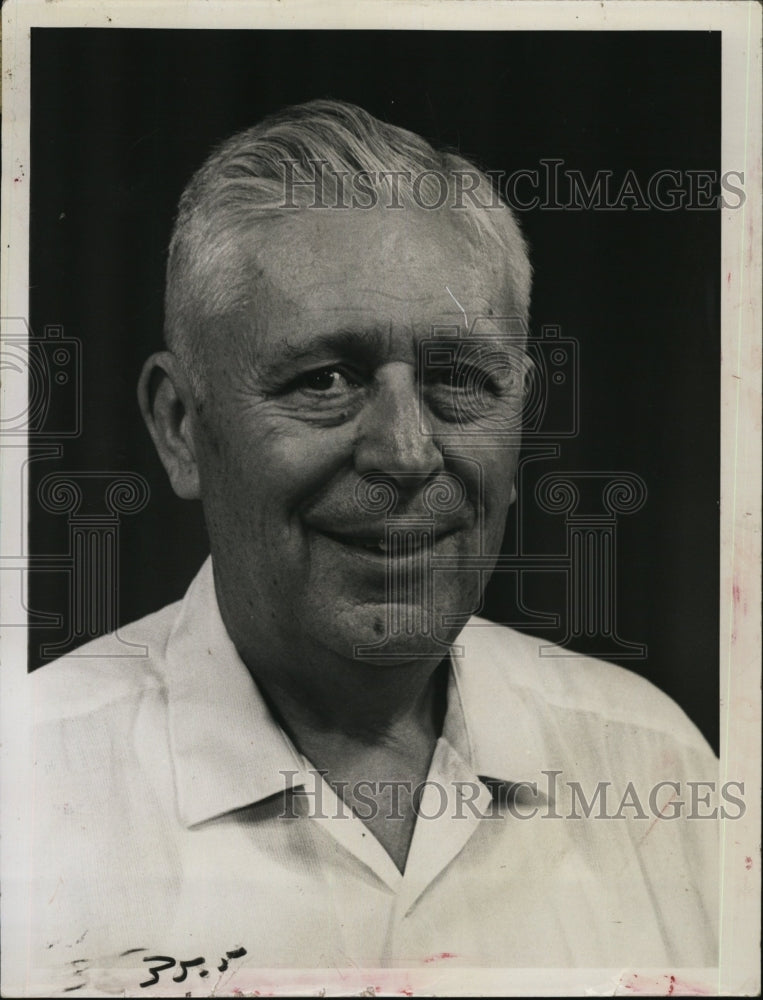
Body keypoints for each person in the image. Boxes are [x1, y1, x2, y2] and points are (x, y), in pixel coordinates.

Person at [26, 100, 717, 994]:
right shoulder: (32, 784)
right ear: (180, 427)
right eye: (325, 380)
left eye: (459, 380)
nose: (404, 451)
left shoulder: (653, 765)